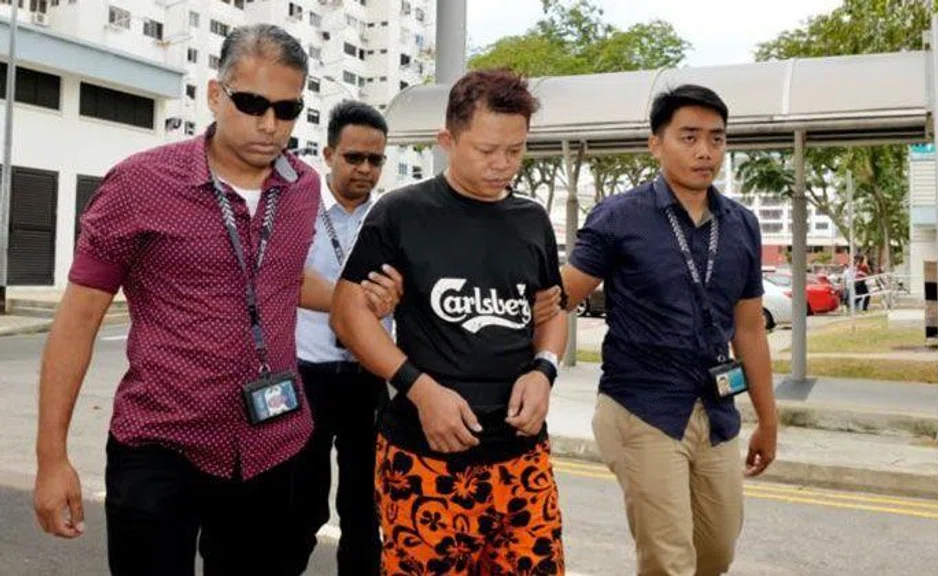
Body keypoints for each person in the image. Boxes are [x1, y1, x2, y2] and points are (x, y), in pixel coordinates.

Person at [32, 25, 397, 576]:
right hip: (160, 447)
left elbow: (282, 279)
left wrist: (363, 301)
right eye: (251, 103)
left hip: (274, 448)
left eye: (287, 108)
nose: (269, 124)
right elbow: (77, 322)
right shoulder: (139, 185)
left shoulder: (300, 188)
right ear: (214, 94)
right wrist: (51, 457)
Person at [330, 69, 568, 574]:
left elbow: (553, 311)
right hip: (425, 456)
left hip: (522, 455)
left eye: (516, 150)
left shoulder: (532, 221)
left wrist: (543, 370)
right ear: (447, 141)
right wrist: (418, 388)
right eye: (486, 151)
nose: (503, 165)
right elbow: (349, 314)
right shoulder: (401, 214)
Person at [536, 84, 778, 576]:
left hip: (716, 411)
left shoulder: (741, 225)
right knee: (669, 561)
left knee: (716, 551)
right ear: (656, 143)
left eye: (716, 138)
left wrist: (769, 421)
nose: (705, 151)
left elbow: (749, 330)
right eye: (689, 137)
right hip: (640, 407)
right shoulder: (620, 216)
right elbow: (561, 296)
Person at [294, 100, 394, 574]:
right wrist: (355, 302)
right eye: (354, 157)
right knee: (299, 506)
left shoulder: (395, 220)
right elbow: (286, 282)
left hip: (368, 378)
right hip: (307, 377)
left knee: (364, 509)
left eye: (376, 160)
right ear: (329, 153)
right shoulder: (301, 213)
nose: (365, 170)